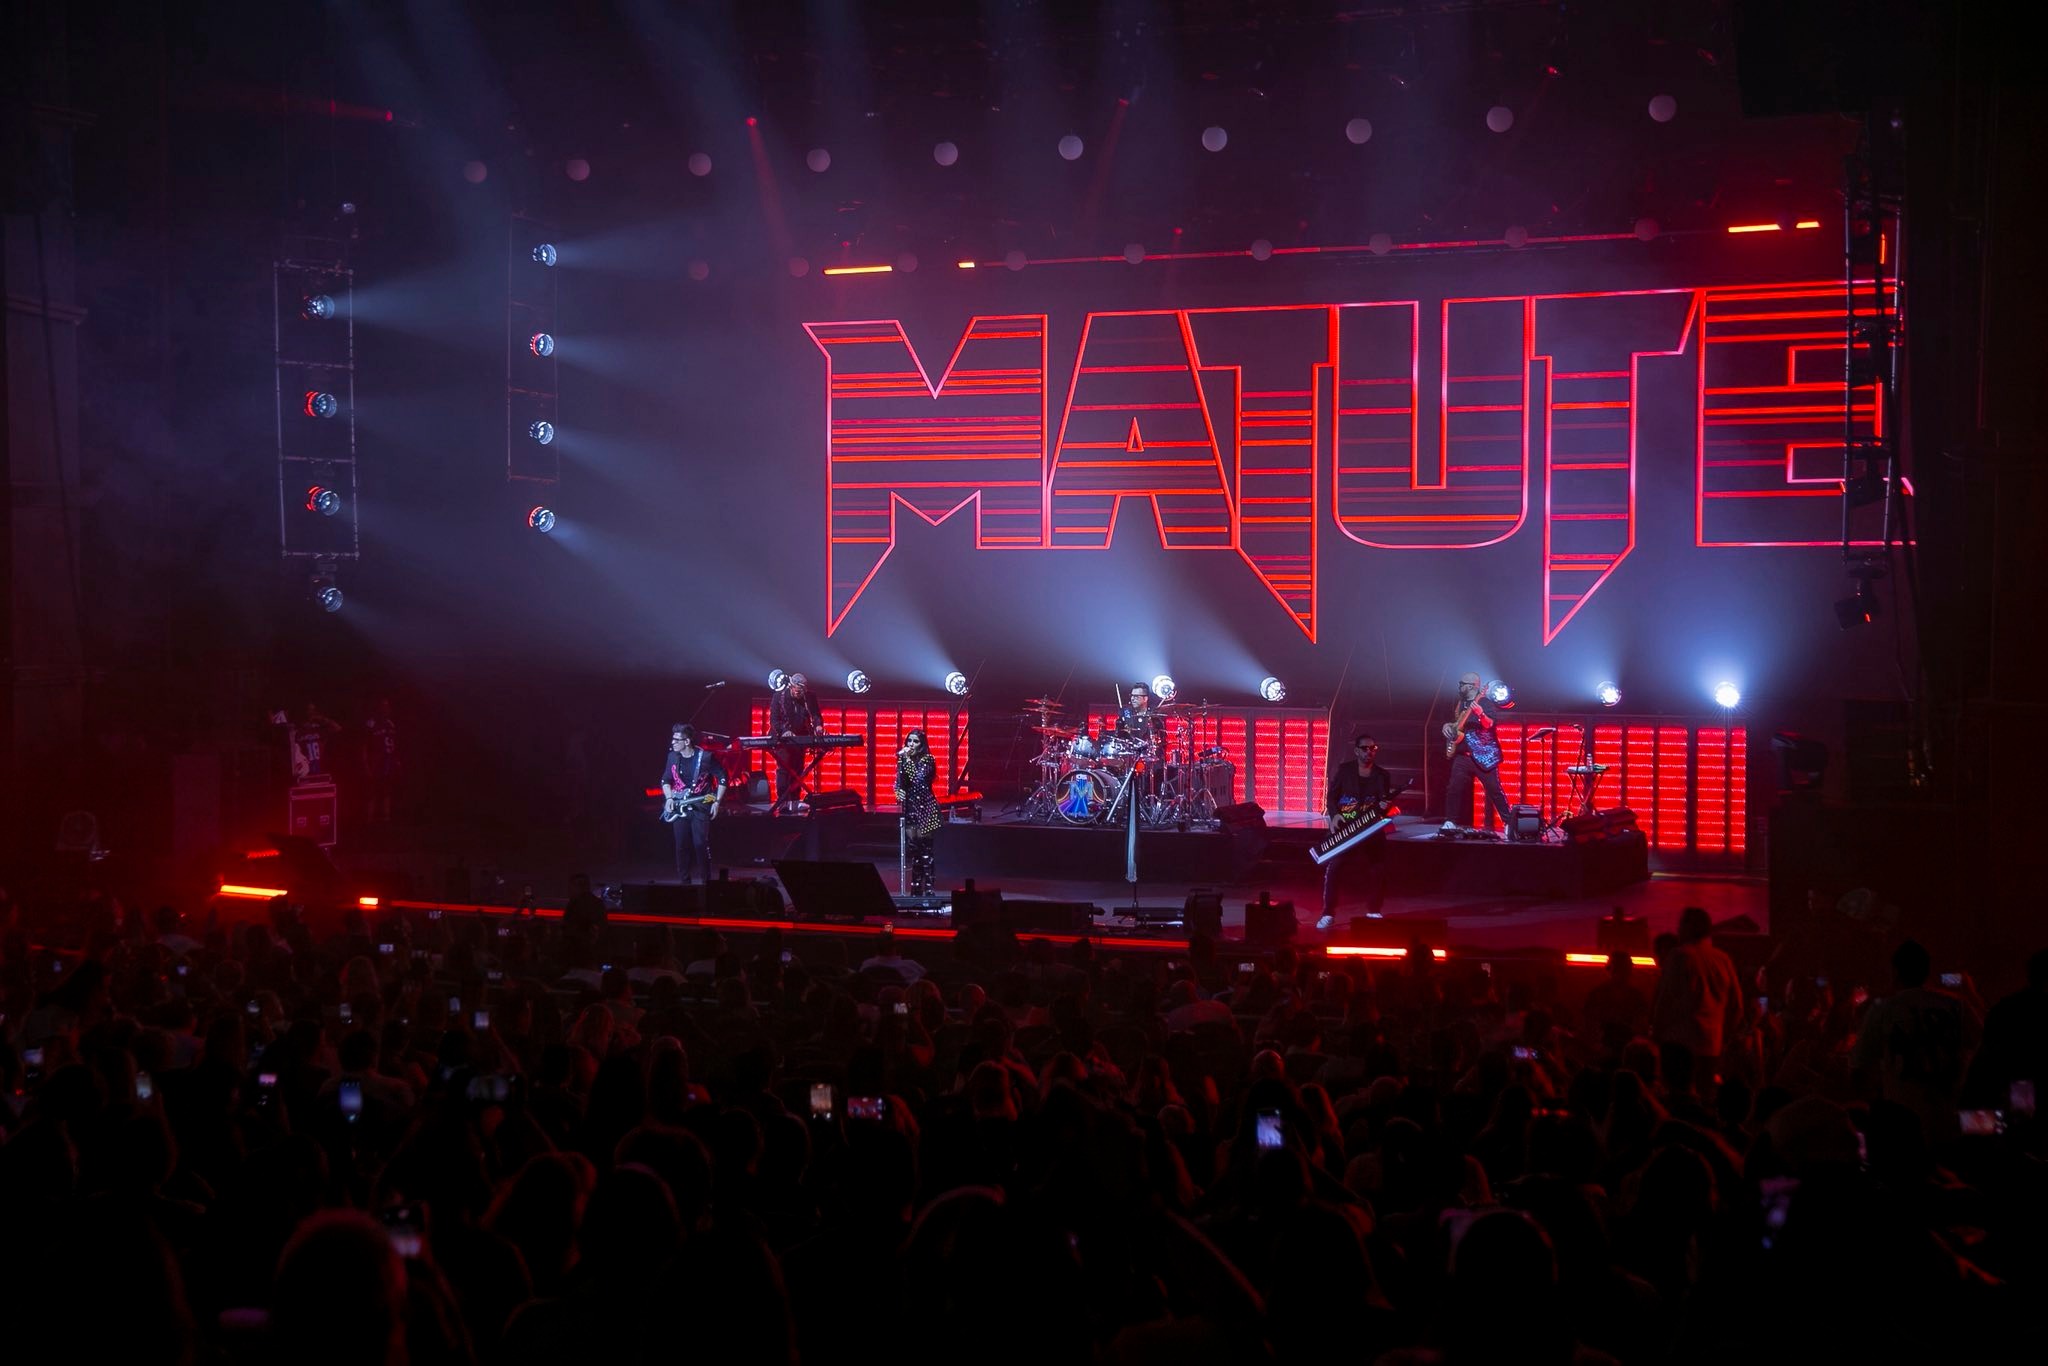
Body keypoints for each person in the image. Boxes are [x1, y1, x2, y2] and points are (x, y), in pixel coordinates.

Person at [1650, 906, 1743, 1089]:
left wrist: (1656, 1033)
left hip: (1678, 1045)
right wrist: (1724, 1037)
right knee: (1705, 1095)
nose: (1677, 931)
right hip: (1711, 1045)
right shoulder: (1723, 960)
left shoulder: (1679, 956)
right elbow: (1736, 1006)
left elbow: (1664, 1001)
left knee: (1677, 1097)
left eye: (1681, 925)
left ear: (1688, 927)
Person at [1317, 733, 1397, 931]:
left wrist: (1386, 805)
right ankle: (1328, 913)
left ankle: (1374, 910)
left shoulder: (1381, 775)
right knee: (1335, 868)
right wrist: (1334, 815)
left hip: (1370, 829)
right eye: (1365, 748)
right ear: (1357, 750)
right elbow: (1332, 797)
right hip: (1346, 827)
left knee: (1378, 868)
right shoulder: (1345, 771)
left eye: (1373, 748)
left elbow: (1383, 804)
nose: (1369, 752)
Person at [1443, 672, 1513, 834]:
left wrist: (1481, 713)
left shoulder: (1486, 703)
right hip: (1463, 756)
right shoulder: (1460, 704)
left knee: (1494, 790)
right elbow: (1457, 724)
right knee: (1454, 788)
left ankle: (1508, 822)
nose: (1459, 687)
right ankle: (1450, 821)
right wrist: (1447, 726)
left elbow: (1489, 725)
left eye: (1461, 684)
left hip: (1483, 756)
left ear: (1471, 686)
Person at [659, 725, 726, 884]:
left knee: (700, 844)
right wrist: (669, 798)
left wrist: (717, 801)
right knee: (681, 845)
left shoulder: (705, 757)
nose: (673, 742)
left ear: (687, 741)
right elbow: (665, 780)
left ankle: (706, 883)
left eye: (676, 740)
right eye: (673, 739)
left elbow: (723, 778)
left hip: (701, 805)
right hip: (679, 806)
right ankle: (685, 883)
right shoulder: (672, 757)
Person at [894, 728, 943, 896]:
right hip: (910, 809)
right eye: (909, 741)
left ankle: (929, 889)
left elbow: (918, 780)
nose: (911, 744)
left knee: (925, 851)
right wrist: (897, 790)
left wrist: (906, 759)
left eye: (915, 741)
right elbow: (899, 781)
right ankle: (915, 889)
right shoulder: (903, 761)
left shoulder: (928, 759)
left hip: (926, 809)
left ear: (922, 744)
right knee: (914, 851)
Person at [769, 673, 822, 814]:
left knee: (798, 769)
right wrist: (785, 731)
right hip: (783, 738)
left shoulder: (809, 697)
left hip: (801, 737)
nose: (799, 694)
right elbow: (774, 721)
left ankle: (795, 801)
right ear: (791, 687)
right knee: (784, 768)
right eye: (797, 691)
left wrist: (818, 726)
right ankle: (783, 802)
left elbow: (816, 714)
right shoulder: (778, 697)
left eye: (802, 692)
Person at [362, 698, 400, 822]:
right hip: (375, 761)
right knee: (372, 790)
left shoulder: (391, 724)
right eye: (383, 706)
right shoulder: (371, 723)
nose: (386, 709)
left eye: (388, 707)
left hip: (388, 761)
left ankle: (386, 818)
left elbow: (395, 744)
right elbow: (364, 744)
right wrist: (366, 762)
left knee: (387, 789)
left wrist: (396, 759)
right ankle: (369, 819)